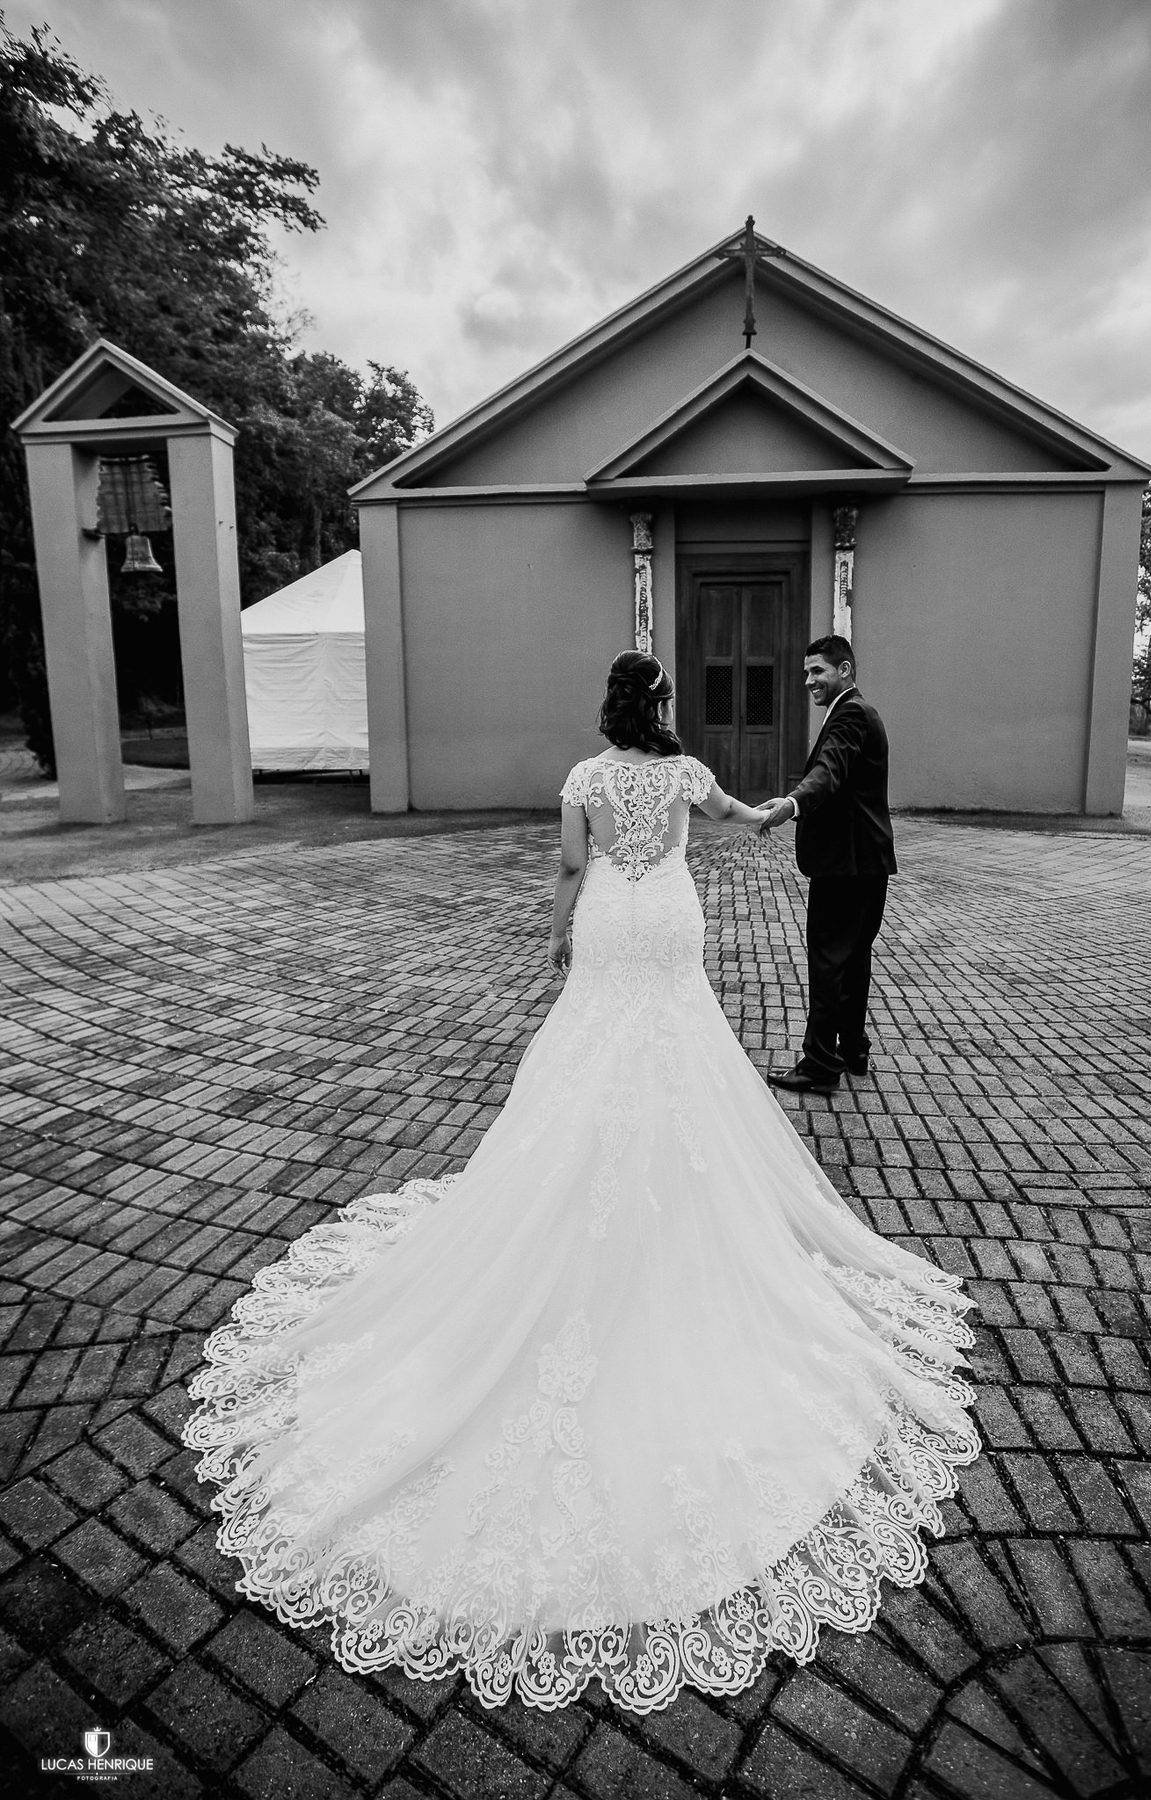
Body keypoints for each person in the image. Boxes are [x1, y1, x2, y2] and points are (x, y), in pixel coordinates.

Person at [185, 649, 977, 1718]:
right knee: (683, 1060)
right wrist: (777, 809)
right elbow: (743, 818)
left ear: (608, 707)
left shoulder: (582, 781)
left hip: (614, 930)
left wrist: (557, 939)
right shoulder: (689, 772)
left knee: (585, 1066)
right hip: (673, 934)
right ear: (661, 706)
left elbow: (568, 871)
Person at [760, 635, 897, 1095]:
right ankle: (853, 1050)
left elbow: (829, 771)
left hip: (845, 866)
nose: (808, 681)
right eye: (806, 672)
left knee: (827, 961)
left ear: (845, 670)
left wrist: (794, 803)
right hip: (865, 865)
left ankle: (820, 1063)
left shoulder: (851, 713)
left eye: (817, 671)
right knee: (853, 959)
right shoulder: (854, 713)